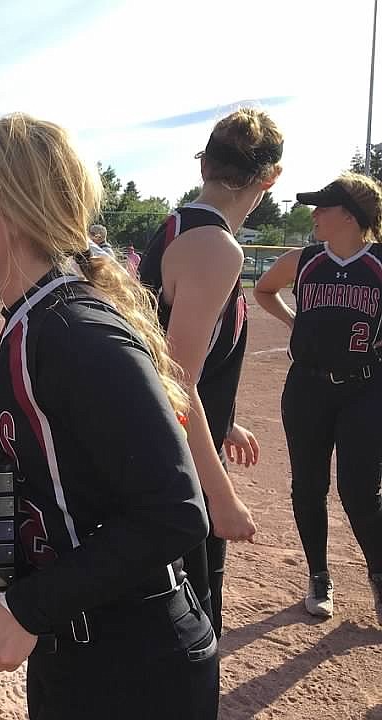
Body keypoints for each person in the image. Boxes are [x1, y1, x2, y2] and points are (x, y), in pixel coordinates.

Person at [0, 114, 216, 718]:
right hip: (81, 645)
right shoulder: (32, 320)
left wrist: (27, 609)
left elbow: (176, 513)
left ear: (19, 210)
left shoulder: (73, 332)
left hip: (137, 668)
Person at [137, 108, 283, 638]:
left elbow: (174, 359)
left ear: (205, 163)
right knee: (188, 644)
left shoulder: (181, 225)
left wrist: (224, 421)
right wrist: (221, 500)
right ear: (271, 178)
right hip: (176, 473)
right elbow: (177, 383)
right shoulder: (215, 247)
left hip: (169, 452)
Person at [254, 173, 382, 623]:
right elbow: (263, 289)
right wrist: (295, 323)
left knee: (361, 492)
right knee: (308, 485)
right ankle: (319, 575)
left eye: (323, 208)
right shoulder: (304, 259)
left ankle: (379, 578)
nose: (314, 215)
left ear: (348, 215)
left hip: (366, 388)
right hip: (307, 386)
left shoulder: (379, 263)